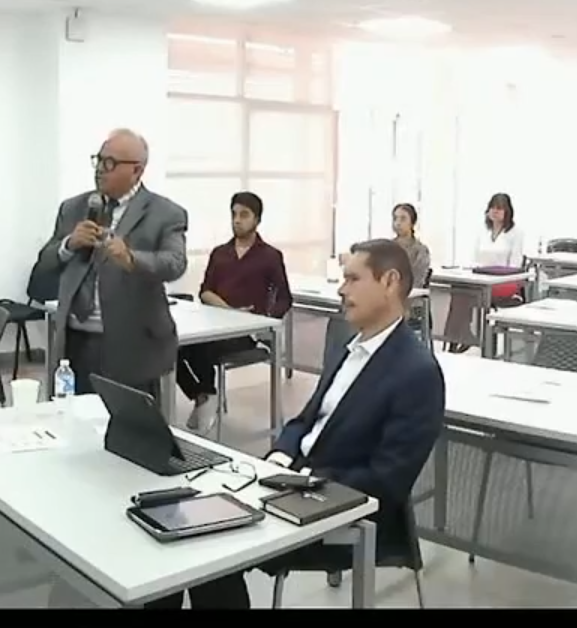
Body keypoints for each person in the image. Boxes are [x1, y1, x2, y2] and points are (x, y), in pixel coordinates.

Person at [149, 239, 446, 609]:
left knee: (210, 544)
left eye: (353, 279)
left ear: (389, 282)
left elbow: (388, 480)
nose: (342, 289)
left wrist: (303, 482)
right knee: (179, 524)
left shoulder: (417, 372)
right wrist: (277, 459)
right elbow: (304, 421)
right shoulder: (349, 349)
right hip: (288, 485)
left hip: (345, 508)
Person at [26, 129, 187, 398]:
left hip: (132, 344)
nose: (100, 169)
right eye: (99, 160)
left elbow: (175, 263)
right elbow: (45, 262)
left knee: (127, 421)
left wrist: (130, 258)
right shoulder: (73, 208)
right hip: (75, 341)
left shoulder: (165, 213)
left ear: (137, 170)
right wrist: (68, 244)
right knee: (74, 417)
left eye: (110, 163)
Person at [177, 191, 291, 430]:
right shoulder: (220, 253)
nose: (237, 220)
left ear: (257, 219)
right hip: (216, 324)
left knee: (200, 347)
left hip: (247, 333)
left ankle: (206, 396)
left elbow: (284, 298)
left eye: (244, 215)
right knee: (169, 346)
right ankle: (203, 394)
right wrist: (229, 311)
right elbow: (205, 291)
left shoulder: (270, 256)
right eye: (234, 214)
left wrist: (265, 322)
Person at [446, 192, 525, 353]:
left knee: (465, 295)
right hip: (481, 279)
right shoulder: (483, 231)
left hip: (504, 282)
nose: (495, 211)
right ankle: (458, 336)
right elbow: (475, 259)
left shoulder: (516, 233)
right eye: (492, 208)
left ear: (507, 211)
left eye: (499, 208)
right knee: (458, 291)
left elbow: (515, 266)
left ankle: (460, 337)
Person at [390, 203, 432, 289]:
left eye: (403, 219)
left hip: (410, 293)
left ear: (412, 223)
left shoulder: (421, 251)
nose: (398, 223)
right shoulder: (387, 247)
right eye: (395, 218)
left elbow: (417, 280)